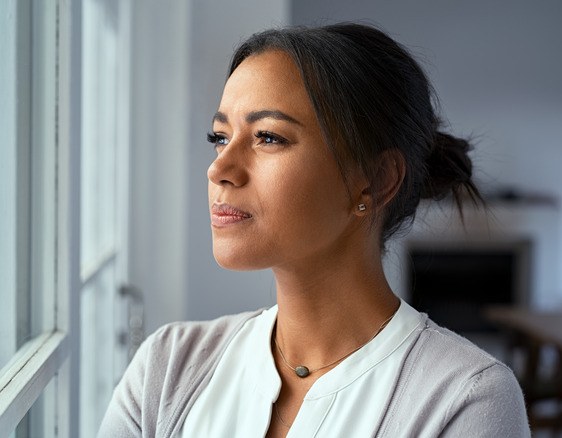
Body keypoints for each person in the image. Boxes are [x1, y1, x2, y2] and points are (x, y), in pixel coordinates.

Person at [99, 23, 530, 438]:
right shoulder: (167, 367)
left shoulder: (465, 401)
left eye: (268, 137)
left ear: (376, 179)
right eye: (220, 136)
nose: (219, 169)